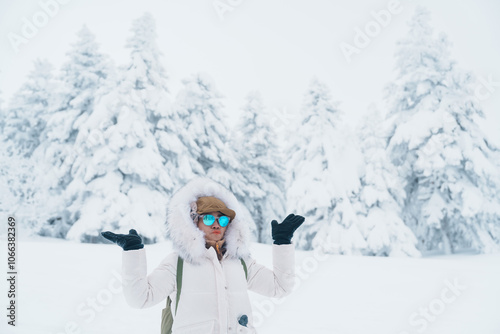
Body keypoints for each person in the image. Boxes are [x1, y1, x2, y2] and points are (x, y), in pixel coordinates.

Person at [101, 177, 304, 333]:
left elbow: (281, 287)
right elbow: (140, 299)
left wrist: (283, 242)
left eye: (222, 220)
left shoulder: (241, 262)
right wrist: (132, 252)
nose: (216, 224)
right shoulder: (178, 263)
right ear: (193, 221)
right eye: (208, 218)